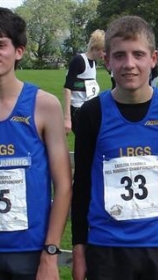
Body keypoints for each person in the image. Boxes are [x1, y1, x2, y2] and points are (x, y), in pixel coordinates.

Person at [71, 15, 158, 280]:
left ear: (153, 59)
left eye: (138, 55)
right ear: (107, 60)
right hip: (106, 248)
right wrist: (79, 251)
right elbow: (82, 184)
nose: (129, 64)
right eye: (119, 56)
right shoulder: (91, 113)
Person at [0, 7, 72, 280]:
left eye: (1, 45)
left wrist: (51, 252)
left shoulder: (44, 105)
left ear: (19, 51)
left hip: (29, 251)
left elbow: (64, 185)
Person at [63, 29, 105, 134]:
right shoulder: (79, 61)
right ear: (96, 47)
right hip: (78, 109)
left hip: (89, 108)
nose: (104, 54)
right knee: (86, 142)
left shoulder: (94, 63)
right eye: (103, 50)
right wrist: (67, 119)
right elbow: (67, 88)